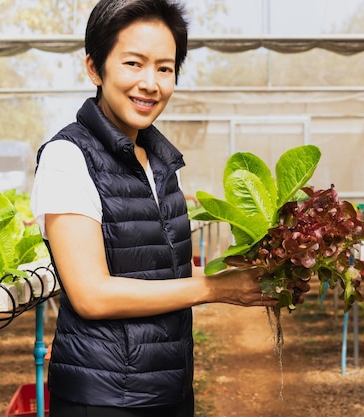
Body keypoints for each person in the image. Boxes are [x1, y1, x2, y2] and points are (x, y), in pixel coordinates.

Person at [30, 1, 298, 415]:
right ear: (94, 68)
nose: (150, 83)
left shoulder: (158, 160)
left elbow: (159, 272)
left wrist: (240, 273)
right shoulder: (68, 157)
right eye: (133, 64)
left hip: (169, 386)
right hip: (104, 398)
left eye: (165, 68)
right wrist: (217, 289)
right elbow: (91, 295)